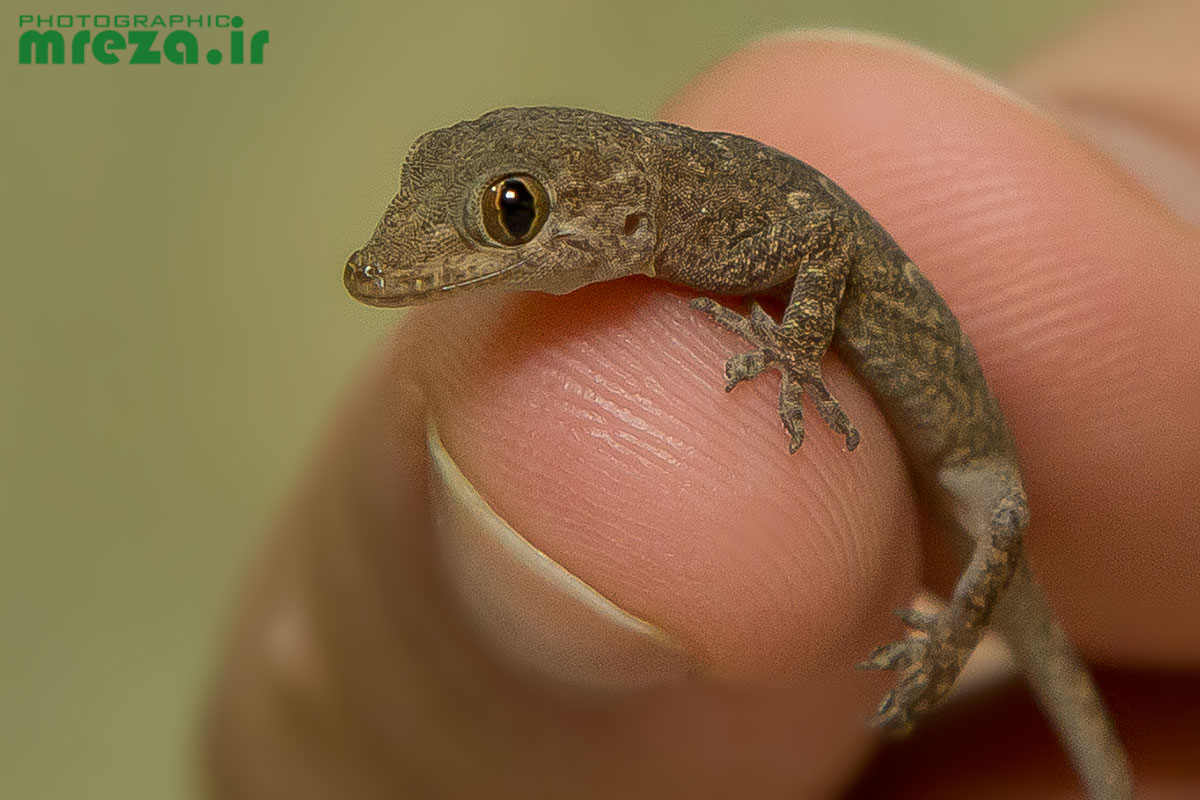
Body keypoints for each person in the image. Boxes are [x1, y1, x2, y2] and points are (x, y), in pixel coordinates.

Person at [204, 2, 1200, 796]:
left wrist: (795, 351)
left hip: (979, 468)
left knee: (1002, 517)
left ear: (620, 213)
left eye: (512, 212)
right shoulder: (675, 222)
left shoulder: (709, 221)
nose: (490, 239)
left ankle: (961, 641)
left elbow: (820, 242)